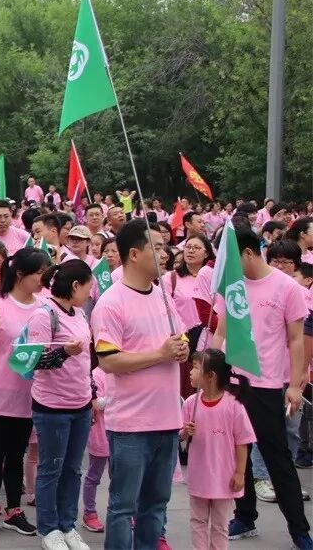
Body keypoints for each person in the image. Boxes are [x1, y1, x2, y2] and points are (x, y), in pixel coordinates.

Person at [211, 223, 311, 548]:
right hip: (233, 382)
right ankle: (245, 516)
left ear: (248, 252)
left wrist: (294, 385)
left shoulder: (286, 287)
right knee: (236, 451)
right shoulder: (233, 285)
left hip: (266, 384)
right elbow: (222, 330)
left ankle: (299, 530)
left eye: (228, 259)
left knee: (276, 457)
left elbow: (296, 341)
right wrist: (210, 370)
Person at [91, 219, 187, 550]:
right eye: (157, 247)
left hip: (168, 420)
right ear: (134, 254)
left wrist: (182, 347)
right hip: (131, 425)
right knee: (123, 507)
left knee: (156, 504)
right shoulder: (111, 303)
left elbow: (179, 336)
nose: (165, 253)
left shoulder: (163, 296)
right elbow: (108, 361)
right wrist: (161, 354)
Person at [0, 246, 52, 538]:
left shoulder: (45, 305)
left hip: (29, 395)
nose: (44, 279)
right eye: (40, 273)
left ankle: (14, 510)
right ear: (20, 274)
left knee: (17, 455)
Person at [29, 259, 94, 550]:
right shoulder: (43, 315)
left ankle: (68, 525)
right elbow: (35, 360)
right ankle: (48, 528)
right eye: (88, 288)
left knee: (73, 469)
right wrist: (64, 352)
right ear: (76, 285)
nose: (90, 294)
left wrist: (91, 392)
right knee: (51, 469)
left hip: (81, 404)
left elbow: (87, 360)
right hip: (52, 406)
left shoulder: (79, 313)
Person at [181, 349, 256, 550]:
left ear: (210, 375)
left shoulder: (233, 405)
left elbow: (243, 442)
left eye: (195, 367)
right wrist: (185, 432)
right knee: (198, 521)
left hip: (224, 478)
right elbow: (180, 436)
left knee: (220, 525)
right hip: (199, 476)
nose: (190, 372)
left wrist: (240, 473)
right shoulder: (190, 403)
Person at [81, 366, 109, 534]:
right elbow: (96, 403)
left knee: (122, 478)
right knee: (93, 476)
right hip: (101, 433)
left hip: (122, 432)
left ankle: (124, 513)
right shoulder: (97, 374)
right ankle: (89, 512)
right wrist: (119, 396)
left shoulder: (123, 372)